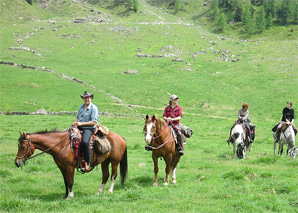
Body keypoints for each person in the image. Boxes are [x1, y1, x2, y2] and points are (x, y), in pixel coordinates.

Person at [74, 91, 99, 172]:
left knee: (85, 142)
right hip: (79, 127)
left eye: (88, 97)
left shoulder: (93, 108)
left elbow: (94, 122)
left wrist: (81, 124)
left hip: (89, 128)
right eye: (85, 98)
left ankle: (88, 162)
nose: (87, 99)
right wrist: (75, 123)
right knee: (70, 138)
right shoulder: (81, 107)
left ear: (91, 98)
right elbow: (77, 117)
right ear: (83, 99)